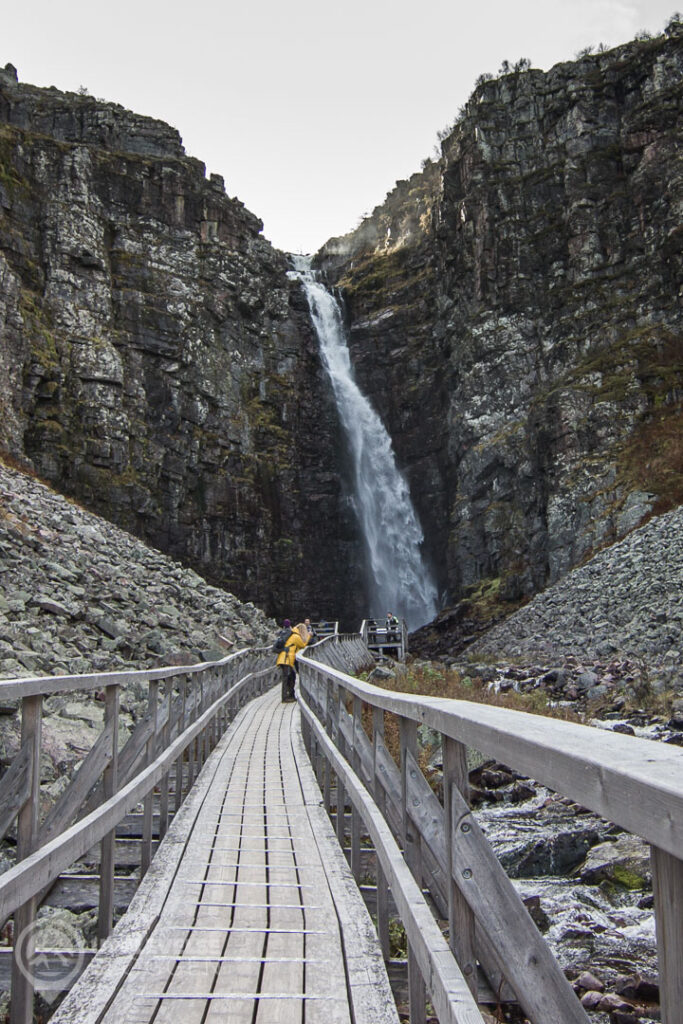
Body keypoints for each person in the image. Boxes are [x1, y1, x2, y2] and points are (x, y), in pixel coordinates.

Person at [276, 622, 309, 702]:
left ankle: (290, 695)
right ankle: (285, 697)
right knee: (286, 678)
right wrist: (309, 636)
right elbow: (303, 645)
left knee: (291, 676)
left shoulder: (292, 635)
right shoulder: (296, 636)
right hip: (286, 659)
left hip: (285, 659)